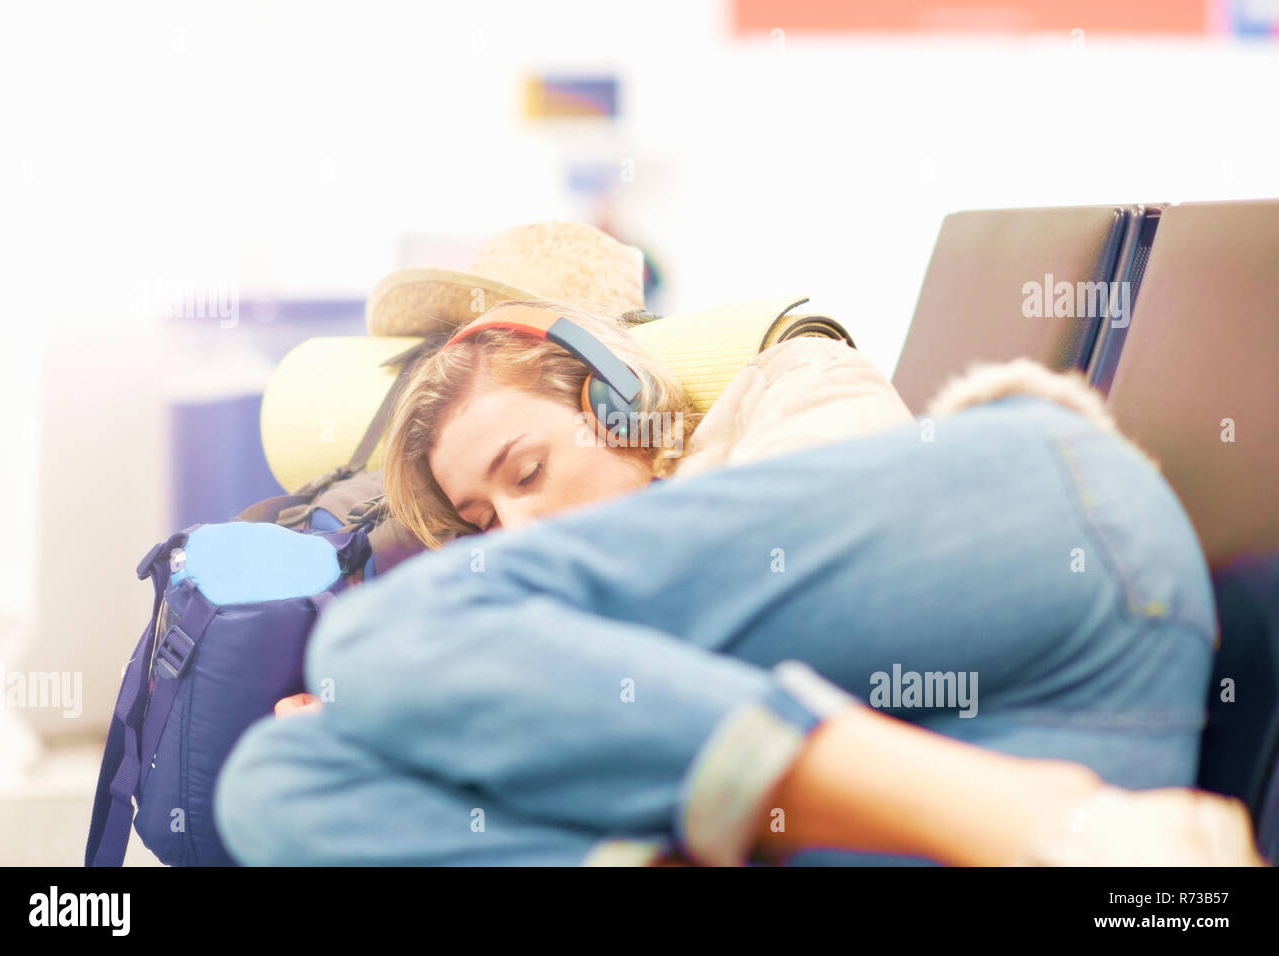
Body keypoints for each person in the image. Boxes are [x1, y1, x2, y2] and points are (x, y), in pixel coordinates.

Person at [217, 300, 1265, 868]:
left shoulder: (790, 392)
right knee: (275, 778)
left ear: (618, 400)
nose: (518, 528)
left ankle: (1047, 820)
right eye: (483, 523)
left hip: (1055, 524)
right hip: (1008, 722)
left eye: (527, 470)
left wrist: (462, 707)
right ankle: (1038, 824)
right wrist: (474, 711)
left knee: (375, 644)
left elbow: (785, 627)